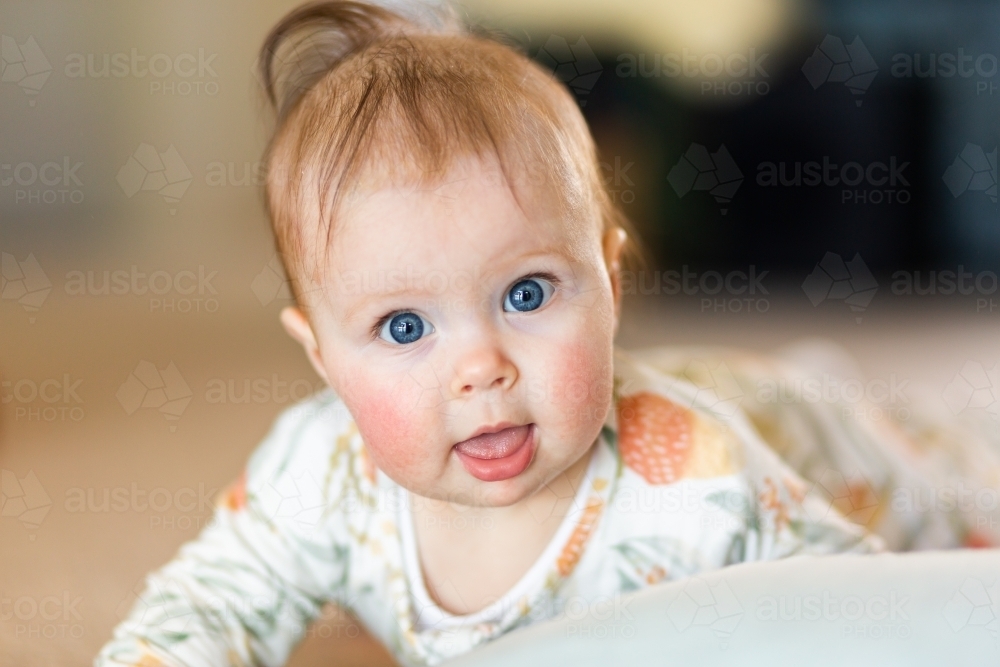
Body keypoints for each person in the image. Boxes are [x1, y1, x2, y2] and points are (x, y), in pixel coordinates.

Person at [94, 1, 997, 665]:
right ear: (321, 356)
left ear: (610, 281)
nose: (481, 368)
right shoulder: (318, 473)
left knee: (948, 489)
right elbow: (207, 601)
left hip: (810, 441)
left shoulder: (704, 488)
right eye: (404, 324)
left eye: (527, 294)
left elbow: (857, 615)